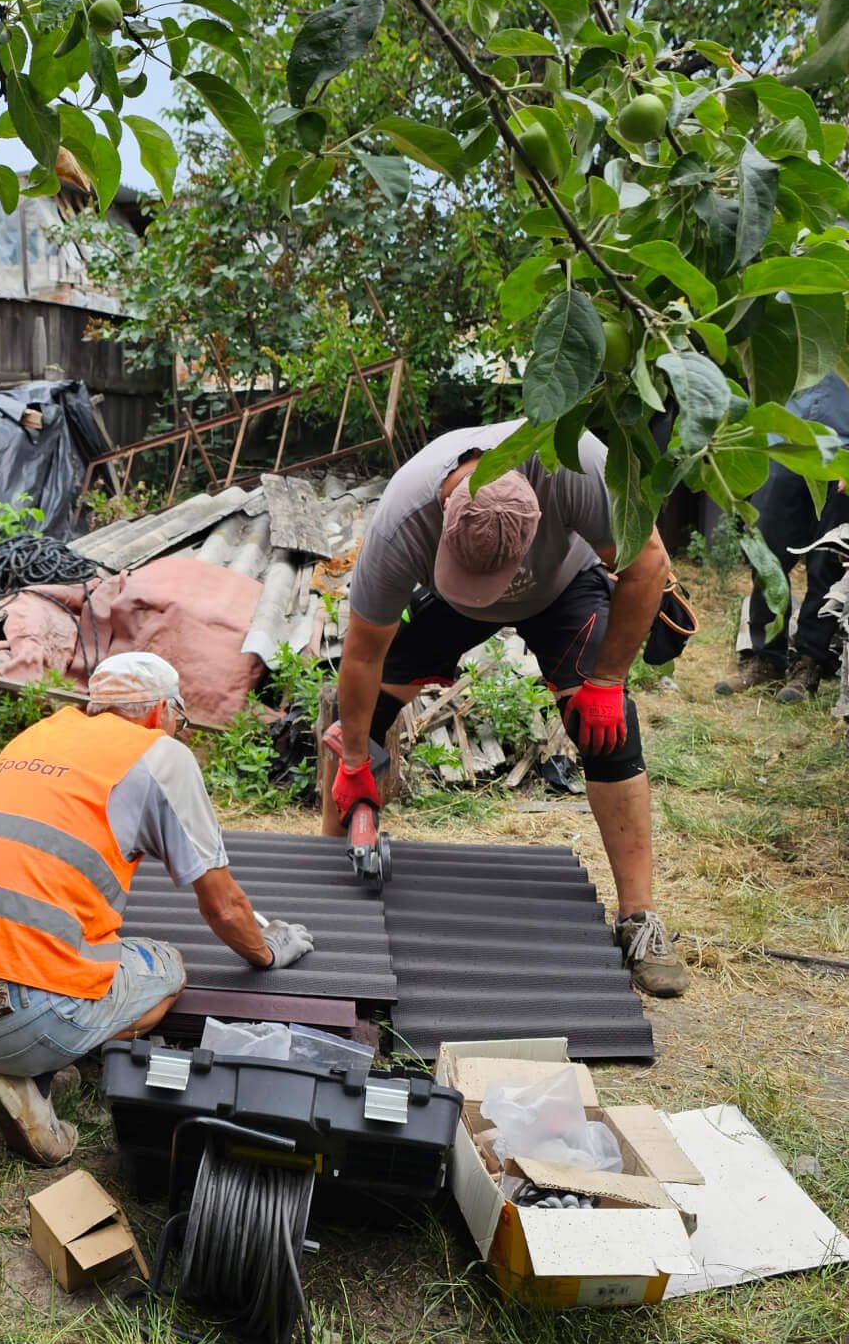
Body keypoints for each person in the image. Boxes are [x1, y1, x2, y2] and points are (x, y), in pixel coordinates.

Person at [0, 652, 315, 1164]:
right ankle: (28, 1075)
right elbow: (225, 909)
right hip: (21, 1017)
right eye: (179, 721)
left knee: (82, 950)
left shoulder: (37, 736)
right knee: (165, 967)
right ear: (163, 711)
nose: (177, 732)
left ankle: (17, 1065)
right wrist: (269, 951)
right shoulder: (160, 754)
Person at [330, 419, 689, 999]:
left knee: (608, 728)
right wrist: (352, 759)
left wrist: (606, 680)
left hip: (562, 586)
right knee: (357, 722)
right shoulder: (402, 522)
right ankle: (334, 878)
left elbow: (647, 564)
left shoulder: (579, 465)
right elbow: (363, 656)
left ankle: (640, 918)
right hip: (448, 601)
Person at [715, 372, 849, 704]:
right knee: (767, 551)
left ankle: (810, 662)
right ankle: (765, 658)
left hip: (842, 447)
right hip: (782, 442)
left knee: (826, 562)